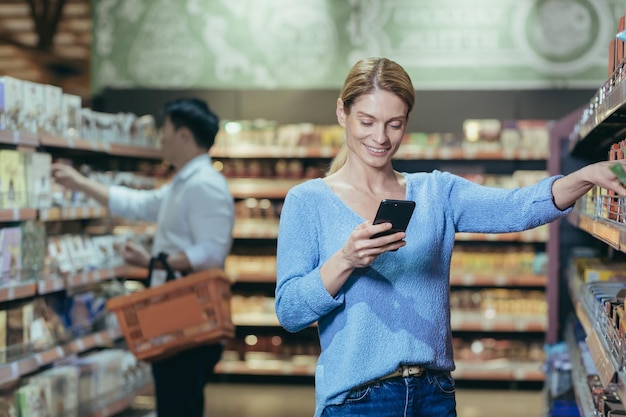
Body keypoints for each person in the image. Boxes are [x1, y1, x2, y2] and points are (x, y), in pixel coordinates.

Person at [274, 57, 626, 417]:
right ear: (342, 113)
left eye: (394, 124)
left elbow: (517, 207)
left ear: (407, 122)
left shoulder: (435, 192)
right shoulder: (308, 201)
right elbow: (290, 311)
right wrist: (345, 260)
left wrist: (584, 176)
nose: (380, 138)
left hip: (434, 395)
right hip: (356, 401)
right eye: (367, 121)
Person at [51, 98, 235, 417]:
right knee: (174, 400)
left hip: (190, 317)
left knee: (180, 401)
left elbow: (210, 253)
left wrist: (154, 262)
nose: (159, 140)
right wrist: (80, 183)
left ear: (183, 135)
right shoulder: (184, 183)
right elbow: (140, 204)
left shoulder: (206, 186)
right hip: (178, 314)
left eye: (164, 131)